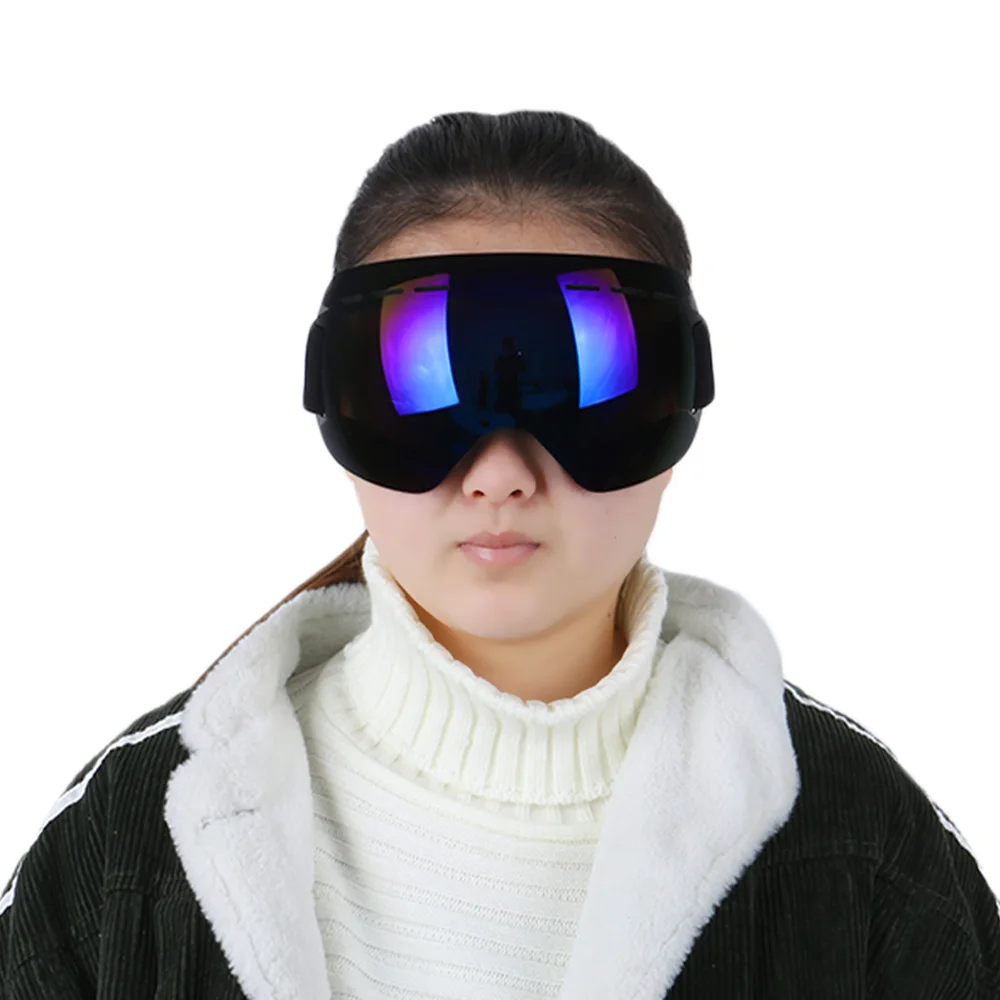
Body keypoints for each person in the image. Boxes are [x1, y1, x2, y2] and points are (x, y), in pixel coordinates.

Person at [1, 110, 997, 1000]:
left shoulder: (861, 843)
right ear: (336, 398)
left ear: (682, 395)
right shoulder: (125, 845)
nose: (501, 474)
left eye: (586, 386)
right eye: (426, 388)